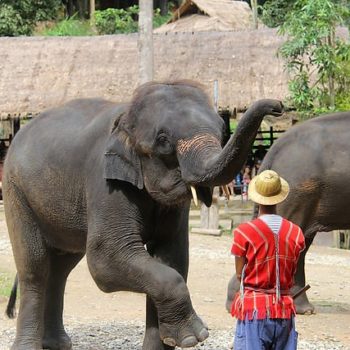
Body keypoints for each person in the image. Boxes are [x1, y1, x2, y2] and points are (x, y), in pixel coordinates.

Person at [230, 170, 305, 350]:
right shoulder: (296, 233)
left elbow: (240, 275)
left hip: (254, 309)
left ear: (256, 198)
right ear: (279, 198)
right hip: (284, 310)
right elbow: (291, 268)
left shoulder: (243, 232)